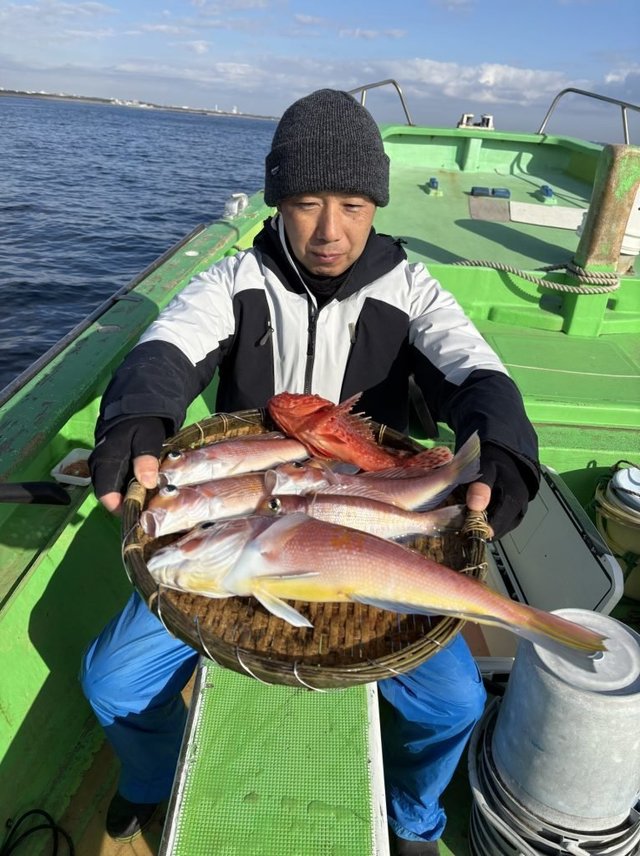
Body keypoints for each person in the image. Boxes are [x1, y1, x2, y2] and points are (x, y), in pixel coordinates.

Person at [83, 88, 540, 855]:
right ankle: (150, 777)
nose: (331, 231)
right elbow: (164, 352)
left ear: (377, 205)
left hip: (363, 524)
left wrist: (500, 451)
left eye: (355, 204)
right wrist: (134, 423)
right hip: (242, 527)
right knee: (112, 683)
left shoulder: (413, 290)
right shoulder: (234, 283)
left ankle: (416, 819)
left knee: (455, 703)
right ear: (278, 201)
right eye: (306, 202)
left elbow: (477, 373)